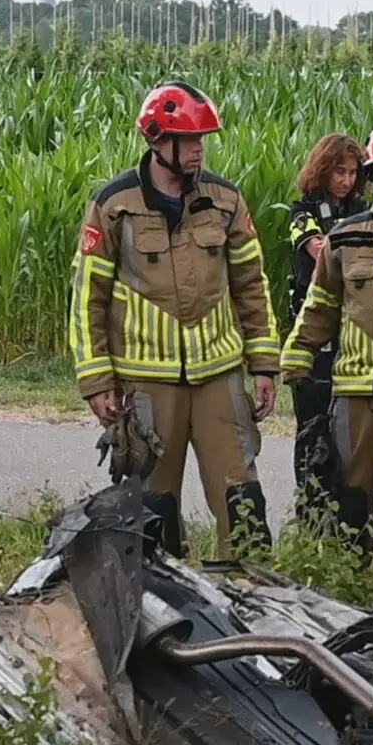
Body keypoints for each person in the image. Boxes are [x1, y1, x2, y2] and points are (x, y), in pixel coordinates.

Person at [70, 81, 280, 559]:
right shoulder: (114, 205)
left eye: (203, 139)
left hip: (219, 377)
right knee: (151, 509)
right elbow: (88, 298)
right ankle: (159, 605)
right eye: (190, 139)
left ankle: (249, 594)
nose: (199, 150)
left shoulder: (226, 200)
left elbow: (252, 284)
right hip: (146, 381)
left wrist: (264, 364)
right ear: (158, 141)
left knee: (241, 497)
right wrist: (97, 380)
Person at [281, 119, 373, 567]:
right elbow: (322, 302)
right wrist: (298, 354)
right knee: (348, 493)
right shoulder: (345, 236)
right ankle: (351, 578)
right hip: (355, 391)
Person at [284, 134, 367, 526]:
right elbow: (319, 249)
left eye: (353, 173)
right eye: (339, 171)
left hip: (353, 340)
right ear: (323, 169)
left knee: (351, 441)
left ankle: (350, 524)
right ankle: (312, 519)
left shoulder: (363, 210)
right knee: (313, 433)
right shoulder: (303, 212)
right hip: (316, 338)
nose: (346, 180)